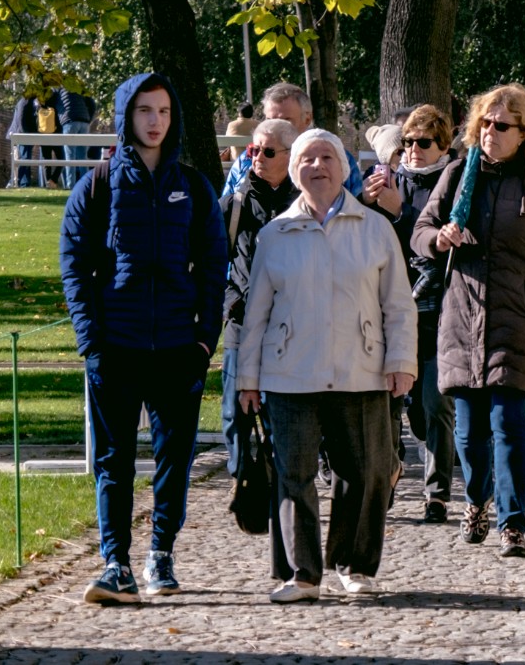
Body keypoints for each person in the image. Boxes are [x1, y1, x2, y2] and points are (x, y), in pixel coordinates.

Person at [59, 73, 225, 604]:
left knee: (175, 456)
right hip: (117, 348)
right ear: (126, 115)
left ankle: (161, 554)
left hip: (179, 347)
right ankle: (115, 563)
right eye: (144, 111)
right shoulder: (99, 185)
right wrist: (91, 341)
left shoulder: (195, 187)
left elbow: (214, 267)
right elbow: (74, 265)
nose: (155, 122)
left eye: (164, 112)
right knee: (114, 461)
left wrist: (204, 340)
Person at [238, 126, 417, 602]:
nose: (317, 167)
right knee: (293, 474)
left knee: (367, 471)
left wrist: (402, 362)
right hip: (289, 373)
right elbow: (255, 314)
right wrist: (248, 379)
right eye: (307, 160)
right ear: (294, 172)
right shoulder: (276, 234)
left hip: (363, 369)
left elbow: (399, 305)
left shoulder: (375, 228)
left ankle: (354, 564)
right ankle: (302, 574)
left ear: (344, 168)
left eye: (326, 158)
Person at [412, 84, 525, 557]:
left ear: (523, 133)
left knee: (509, 427)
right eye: (485, 123)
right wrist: (438, 238)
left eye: (501, 125)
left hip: (519, 322)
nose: (490, 132)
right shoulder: (457, 176)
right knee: (468, 433)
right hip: (462, 321)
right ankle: (475, 500)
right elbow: (420, 231)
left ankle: (513, 523)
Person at [363, 104, 459, 523]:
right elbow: (368, 243)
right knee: (388, 403)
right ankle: (388, 472)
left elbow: (439, 244)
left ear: (443, 146)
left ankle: (437, 492)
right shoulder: (389, 181)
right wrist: (367, 204)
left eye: (424, 143)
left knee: (434, 405)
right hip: (392, 308)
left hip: (441, 306)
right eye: (407, 143)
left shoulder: (455, 183)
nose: (413, 150)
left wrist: (401, 212)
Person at [218, 118, 299, 486]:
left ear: (288, 155)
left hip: (289, 325)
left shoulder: (305, 203)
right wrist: (229, 301)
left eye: (267, 152)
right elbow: (208, 260)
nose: (257, 158)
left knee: (280, 412)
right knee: (235, 411)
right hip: (241, 321)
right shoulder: (234, 204)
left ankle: (282, 481)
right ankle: (241, 479)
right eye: (253, 150)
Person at [220, 81, 364, 204]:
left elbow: (356, 213)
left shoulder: (335, 159)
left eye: (284, 121)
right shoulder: (247, 160)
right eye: (270, 121)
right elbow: (226, 210)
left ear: (307, 119)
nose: (276, 128)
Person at [53, 85, 97, 190]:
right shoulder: (78, 87)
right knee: (83, 156)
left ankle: (70, 185)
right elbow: (92, 104)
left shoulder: (57, 89)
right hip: (84, 122)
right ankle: (86, 185)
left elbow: (51, 104)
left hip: (69, 122)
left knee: (70, 155)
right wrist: (88, 119)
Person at [8, 93, 42, 187]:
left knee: (26, 158)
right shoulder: (25, 102)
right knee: (25, 159)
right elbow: (20, 119)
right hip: (22, 135)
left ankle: (24, 183)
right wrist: (26, 136)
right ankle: (15, 181)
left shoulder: (29, 102)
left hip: (25, 134)